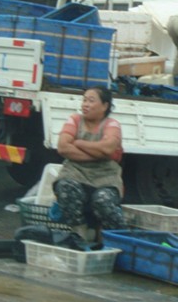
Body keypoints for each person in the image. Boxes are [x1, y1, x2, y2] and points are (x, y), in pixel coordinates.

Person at [53, 87, 125, 238]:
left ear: (105, 106)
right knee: (65, 187)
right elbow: (63, 147)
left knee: (103, 201)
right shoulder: (75, 120)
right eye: (84, 100)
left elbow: (108, 148)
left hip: (105, 179)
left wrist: (79, 143)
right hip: (75, 173)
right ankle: (79, 233)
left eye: (91, 101)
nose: (85, 104)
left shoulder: (112, 125)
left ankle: (112, 237)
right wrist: (99, 154)